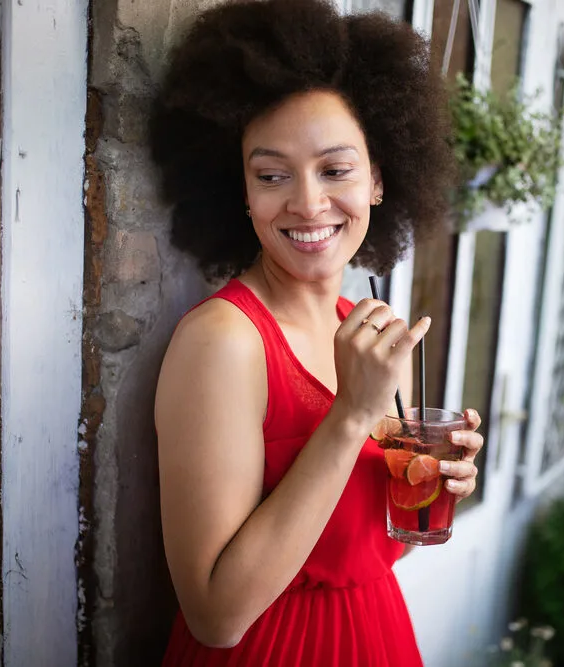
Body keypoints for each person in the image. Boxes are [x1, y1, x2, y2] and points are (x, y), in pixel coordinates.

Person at [149, 0, 484, 664]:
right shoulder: (224, 341)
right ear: (241, 192)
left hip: (376, 633)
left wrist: (424, 479)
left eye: (335, 170)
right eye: (272, 175)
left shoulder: (350, 328)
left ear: (380, 179)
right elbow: (215, 614)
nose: (306, 203)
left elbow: (348, 542)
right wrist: (353, 414)